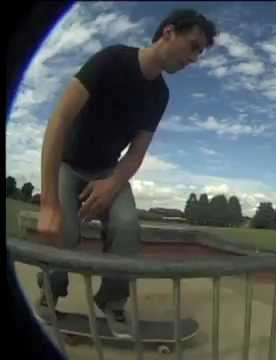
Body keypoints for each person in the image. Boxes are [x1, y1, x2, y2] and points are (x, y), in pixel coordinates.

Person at [35, 8, 217, 335]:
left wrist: (112, 183)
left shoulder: (160, 94)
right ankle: (49, 293)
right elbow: (59, 119)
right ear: (168, 33)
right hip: (69, 163)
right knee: (63, 232)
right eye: (193, 46)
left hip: (107, 170)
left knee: (127, 226)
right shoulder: (111, 60)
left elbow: (137, 152)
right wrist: (49, 203)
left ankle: (112, 302)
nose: (194, 59)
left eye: (200, 53)